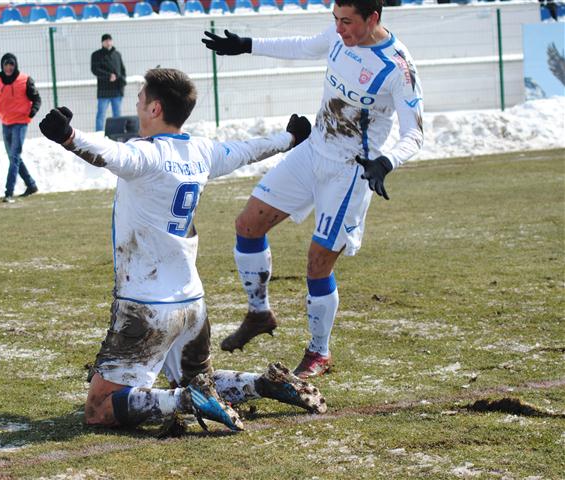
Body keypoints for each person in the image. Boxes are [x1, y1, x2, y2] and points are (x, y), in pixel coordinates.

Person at [39, 68, 326, 433]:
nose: (137, 102)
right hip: (192, 302)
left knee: (99, 409)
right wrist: (289, 137)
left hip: (146, 306)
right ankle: (264, 383)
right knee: (197, 377)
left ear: (156, 108)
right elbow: (247, 151)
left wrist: (69, 136)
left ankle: (186, 402)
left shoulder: (145, 155)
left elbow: (108, 154)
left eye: (141, 97)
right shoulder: (201, 151)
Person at [202, 0, 424, 378]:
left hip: (349, 172)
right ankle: (259, 314)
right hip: (312, 151)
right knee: (247, 225)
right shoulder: (340, 36)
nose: (339, 29)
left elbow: (415, 131)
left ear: (373, 18)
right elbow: (304, 46)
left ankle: (319, 352)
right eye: (336, 20)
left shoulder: (398, 68)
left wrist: (387, 162)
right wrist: (246, 45)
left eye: (348, 22)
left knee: (318, 262)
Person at [0, 53, 41, 203]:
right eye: (6, 64)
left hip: (21, 122)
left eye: (11, 64)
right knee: (14, 157)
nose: (9, 67)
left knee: (14, 157)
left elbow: (36, 98)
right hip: (6, 123)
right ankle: (31, 185)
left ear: (15, 65)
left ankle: (9, 192)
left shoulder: (25, 80)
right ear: (2, 66)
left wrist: (33, 111)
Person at [90, 33, 126, 132]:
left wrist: (122, 81)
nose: (108, 42)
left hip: (117, 90)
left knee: (117, 114)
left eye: (110, 40)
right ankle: (99, 133)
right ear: (102, 42)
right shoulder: (96, 55)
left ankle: (117, 132)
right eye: (106, 40)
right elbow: (95, 69)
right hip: (104, 90)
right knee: (101, 113)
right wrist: (108, 76)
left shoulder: (117, 54)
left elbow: (122, 70)